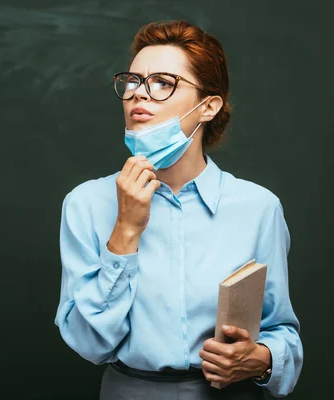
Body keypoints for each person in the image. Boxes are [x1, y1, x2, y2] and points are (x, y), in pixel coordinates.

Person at [53, 20, 303, 399]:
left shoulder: (258, 208)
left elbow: (283, 332)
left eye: (163, 83)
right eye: (133, 81)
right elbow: (90, 344)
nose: (139, 95)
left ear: (208, 106)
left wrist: (263, 357)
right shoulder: (86, 204)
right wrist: (125, 230)